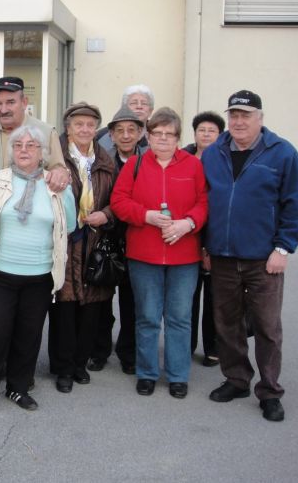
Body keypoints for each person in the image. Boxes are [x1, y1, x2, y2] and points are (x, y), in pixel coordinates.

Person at [0, 125, 76, 418]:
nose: (24, 150)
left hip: (40, 275)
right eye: (18, 145)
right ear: (11, 151)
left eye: (31, 145)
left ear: (42, 152)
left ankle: (18, 387)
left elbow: (69, 225)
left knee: (28, 334)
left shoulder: (56, 186)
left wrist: (66, 192)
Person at [202, 90, 298, 422]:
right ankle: (237, 379)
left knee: (267, 327)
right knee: (227, 323)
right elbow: (204, 201)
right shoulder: (213, 153)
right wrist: (206, 245)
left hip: (264, 258)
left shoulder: (282, 153)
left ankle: (270, 391)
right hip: (222, 255)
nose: (239, 121)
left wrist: (283, 248)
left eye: (246, 115)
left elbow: (294, 203)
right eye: (234, 115)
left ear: (260, 118)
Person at [0, 76, 69, 333]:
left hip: (30, 241)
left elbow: (59, 169)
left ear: (24, 102)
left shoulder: (46, 132)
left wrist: (60, 174)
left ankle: (16, 352)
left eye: (10, 102)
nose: (3, 109)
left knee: (27, 311)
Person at [111, 107, 207, 399]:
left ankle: (178, 375)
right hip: (144, 254)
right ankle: (147, 372)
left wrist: (187, 223)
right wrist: (146, 216)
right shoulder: (135, 164)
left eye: (169, 134)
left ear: (178, 138)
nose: (163, 138)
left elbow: (204, 203)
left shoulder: (193, 166)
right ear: (148, 136)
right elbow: (118, 201)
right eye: (157, 133)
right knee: (148, 317)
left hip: (184, 256)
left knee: (179, 318)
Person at [48, 102, 116, 394]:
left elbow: (118, 199)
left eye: (90, 125)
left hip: (94, 244)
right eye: (79, 124)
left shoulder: (105, 161)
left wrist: (106, 214)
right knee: (64, 308)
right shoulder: (56, 158)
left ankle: (79, 364)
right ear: (68, 128)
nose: (85, 129)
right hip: (65, 244)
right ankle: (63, 367)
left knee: (90, 309)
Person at [88, 104, 146, 375]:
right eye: (119, 130)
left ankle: (128, 353)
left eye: (131, 130)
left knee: (132, 300)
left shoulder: (148, 160)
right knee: (101, 298)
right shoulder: (102, 160)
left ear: (140, 133)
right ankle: (99, 350)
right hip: (106, 236)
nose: (125, 135)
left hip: (138, 237)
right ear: (110, 135)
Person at [184, 111, 225, 367]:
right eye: (202, 130)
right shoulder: (183, 158)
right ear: (195, 133)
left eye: (212, 131)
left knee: (214, 297)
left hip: (214, 236)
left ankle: (213, 346)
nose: (206, 134)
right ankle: (185, 345)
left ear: (220, 135)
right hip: (187, 235)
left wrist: (208, 246)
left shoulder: (224, 161)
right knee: (187, 296)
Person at [96, 84, 154, 151]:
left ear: (150, 111)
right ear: (124, 108)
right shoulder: (101, 136)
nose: (139, 106)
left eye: (144, 103)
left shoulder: (158, 135)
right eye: (133, 103)